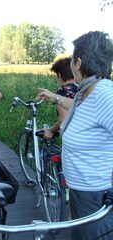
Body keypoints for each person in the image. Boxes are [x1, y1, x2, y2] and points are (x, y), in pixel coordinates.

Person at [38, 31, 113, 240]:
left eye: (72, 59)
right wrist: (55, 98)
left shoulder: (105, 94)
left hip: (97, 196)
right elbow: (82, 111)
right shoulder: (89, 92)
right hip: (83, 193)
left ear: (78, 63)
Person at [43, 57, 77, 139]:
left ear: (59, 75)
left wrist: (51, 131)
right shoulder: (81, 89)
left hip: (72, 137)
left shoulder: (62, 92)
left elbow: (63, 120)